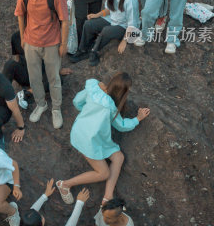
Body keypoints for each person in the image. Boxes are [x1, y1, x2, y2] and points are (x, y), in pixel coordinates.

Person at [56, 72, 150, 205]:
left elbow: (77, 101)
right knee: (103, 173)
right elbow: (122, 126)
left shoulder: (94, 88)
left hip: (82, 132)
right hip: (89, 141)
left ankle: (107, 197)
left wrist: (86, 111)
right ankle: (65, 184)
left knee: (118, 157)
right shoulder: (111, 108)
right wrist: (138, 118)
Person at [15, 0, 69, 129]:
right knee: (34, 77)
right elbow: (20, 15)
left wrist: (63, 44)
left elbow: (65, 21)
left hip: (51, 43)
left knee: (54, 78)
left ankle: (56, 108)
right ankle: (41, 104)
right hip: (31, 42)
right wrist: (23, 38)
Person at [69, 0, 140, 66]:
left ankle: (94, 51)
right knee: (88, 24)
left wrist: (125, 40)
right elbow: (109, 9)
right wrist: (97, 15)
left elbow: (133, 23)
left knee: (107, 31)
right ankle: (83, 50)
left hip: (125, 26)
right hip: (112, 19)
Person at [3, 31, 72, 106]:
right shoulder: (16, 36)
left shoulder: (47, 37)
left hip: (42, 76)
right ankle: (2, 94)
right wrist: (16, 73)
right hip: (26, 74)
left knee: (57, 79)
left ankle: (27, 93)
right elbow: (17, 57)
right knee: (9, 64)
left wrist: (58, 70)